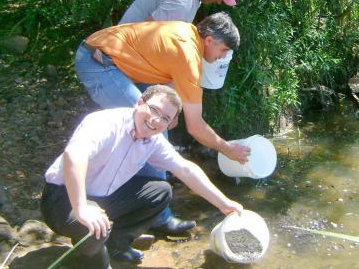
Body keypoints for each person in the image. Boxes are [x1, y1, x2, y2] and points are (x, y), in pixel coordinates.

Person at [41, 85, 243, 269]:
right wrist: (81, 207)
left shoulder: (153, 140)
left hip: (103, 195)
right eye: (154, 110)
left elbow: (185, 169)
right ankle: (94, 268)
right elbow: (74, 155)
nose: (156, 120)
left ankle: (116, 246)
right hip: (63, 197)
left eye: (165, 118)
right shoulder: (106, 122)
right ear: (139, 103)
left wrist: (224, 204)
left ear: (170, 124)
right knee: (91, 226)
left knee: (160, 191)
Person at [74, 12, 251, 234]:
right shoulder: (189, 57)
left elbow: (168, 72)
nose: (223, 56)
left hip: (108, 57)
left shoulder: (188, 33)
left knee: (152, 127)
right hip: (99, 62)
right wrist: (227, 149)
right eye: (223, 50)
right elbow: (195, 127)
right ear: (209, 40)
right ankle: (158, 217)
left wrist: (173, 111)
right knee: (153, 131)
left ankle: (129, 198)